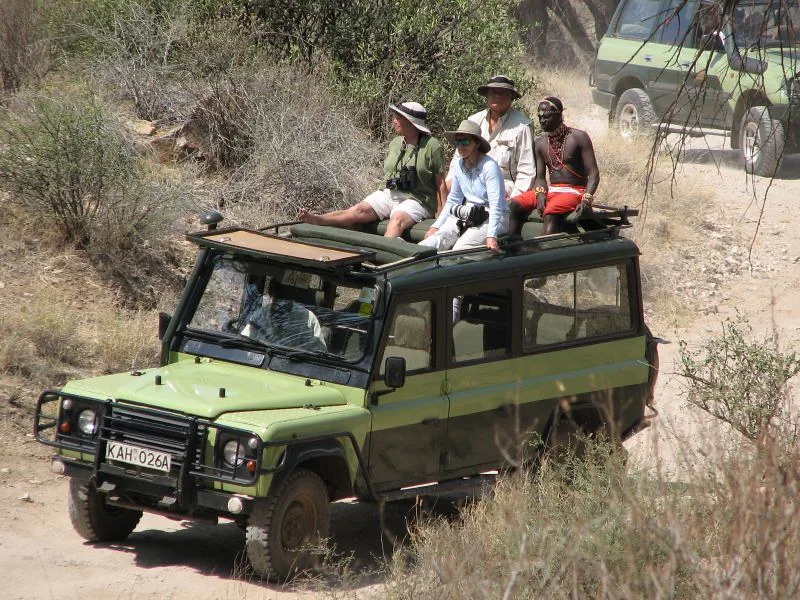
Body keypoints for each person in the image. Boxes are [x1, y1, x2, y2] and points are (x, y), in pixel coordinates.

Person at [299, 102, 447, 237]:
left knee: (397, 219)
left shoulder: (432, 146)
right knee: (359, 210)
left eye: (398, 118)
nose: (394, 121)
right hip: (391, 192)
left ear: (411, 122)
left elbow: (441, 184)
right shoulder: (396, 143)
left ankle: (385, 256)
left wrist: (441, 218)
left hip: (418, 199)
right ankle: (318, 219)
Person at [509, 97, 600, 236]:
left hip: (574, 191)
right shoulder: (540, 143)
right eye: (540, 117)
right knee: (515, 204)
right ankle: (512, 245)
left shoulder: (579, 137)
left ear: (559, 115)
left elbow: (594, 173)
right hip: (552, 191)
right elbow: (540, 177)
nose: (542, 120)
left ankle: (543, 253)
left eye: (547, 116)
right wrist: (540, 194)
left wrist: (586, 199)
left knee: (551, 210)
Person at [420, 120, 508, 254]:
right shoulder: (459, 165)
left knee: (460, 249)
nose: (460, 146)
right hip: (468, 212)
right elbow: (453, 199)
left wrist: (492, 235)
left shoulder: (489, 167)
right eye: (457, 142)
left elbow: (496, 204)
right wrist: (436, 226)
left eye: (465, 141)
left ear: (477, 143)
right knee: (432, 242)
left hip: (494, 216)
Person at [446, 75, 535, 198]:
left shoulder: (522, 126)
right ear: (486, 96)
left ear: (511, 97)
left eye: (502, 93)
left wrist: (514, 200)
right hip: (469, 179)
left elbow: (526, 171)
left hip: (504, 186)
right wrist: (448, 184)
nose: (497, 96)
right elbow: (457, 159)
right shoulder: (473, 120)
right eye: (493, 92)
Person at [240, 279, 327, 352]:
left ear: (293, 293)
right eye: (277, 290)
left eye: (284, 292)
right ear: (271, 292)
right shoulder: (261, 315)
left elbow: (319, 354)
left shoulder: (307, 317)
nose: (280, 296)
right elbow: (244, 344)